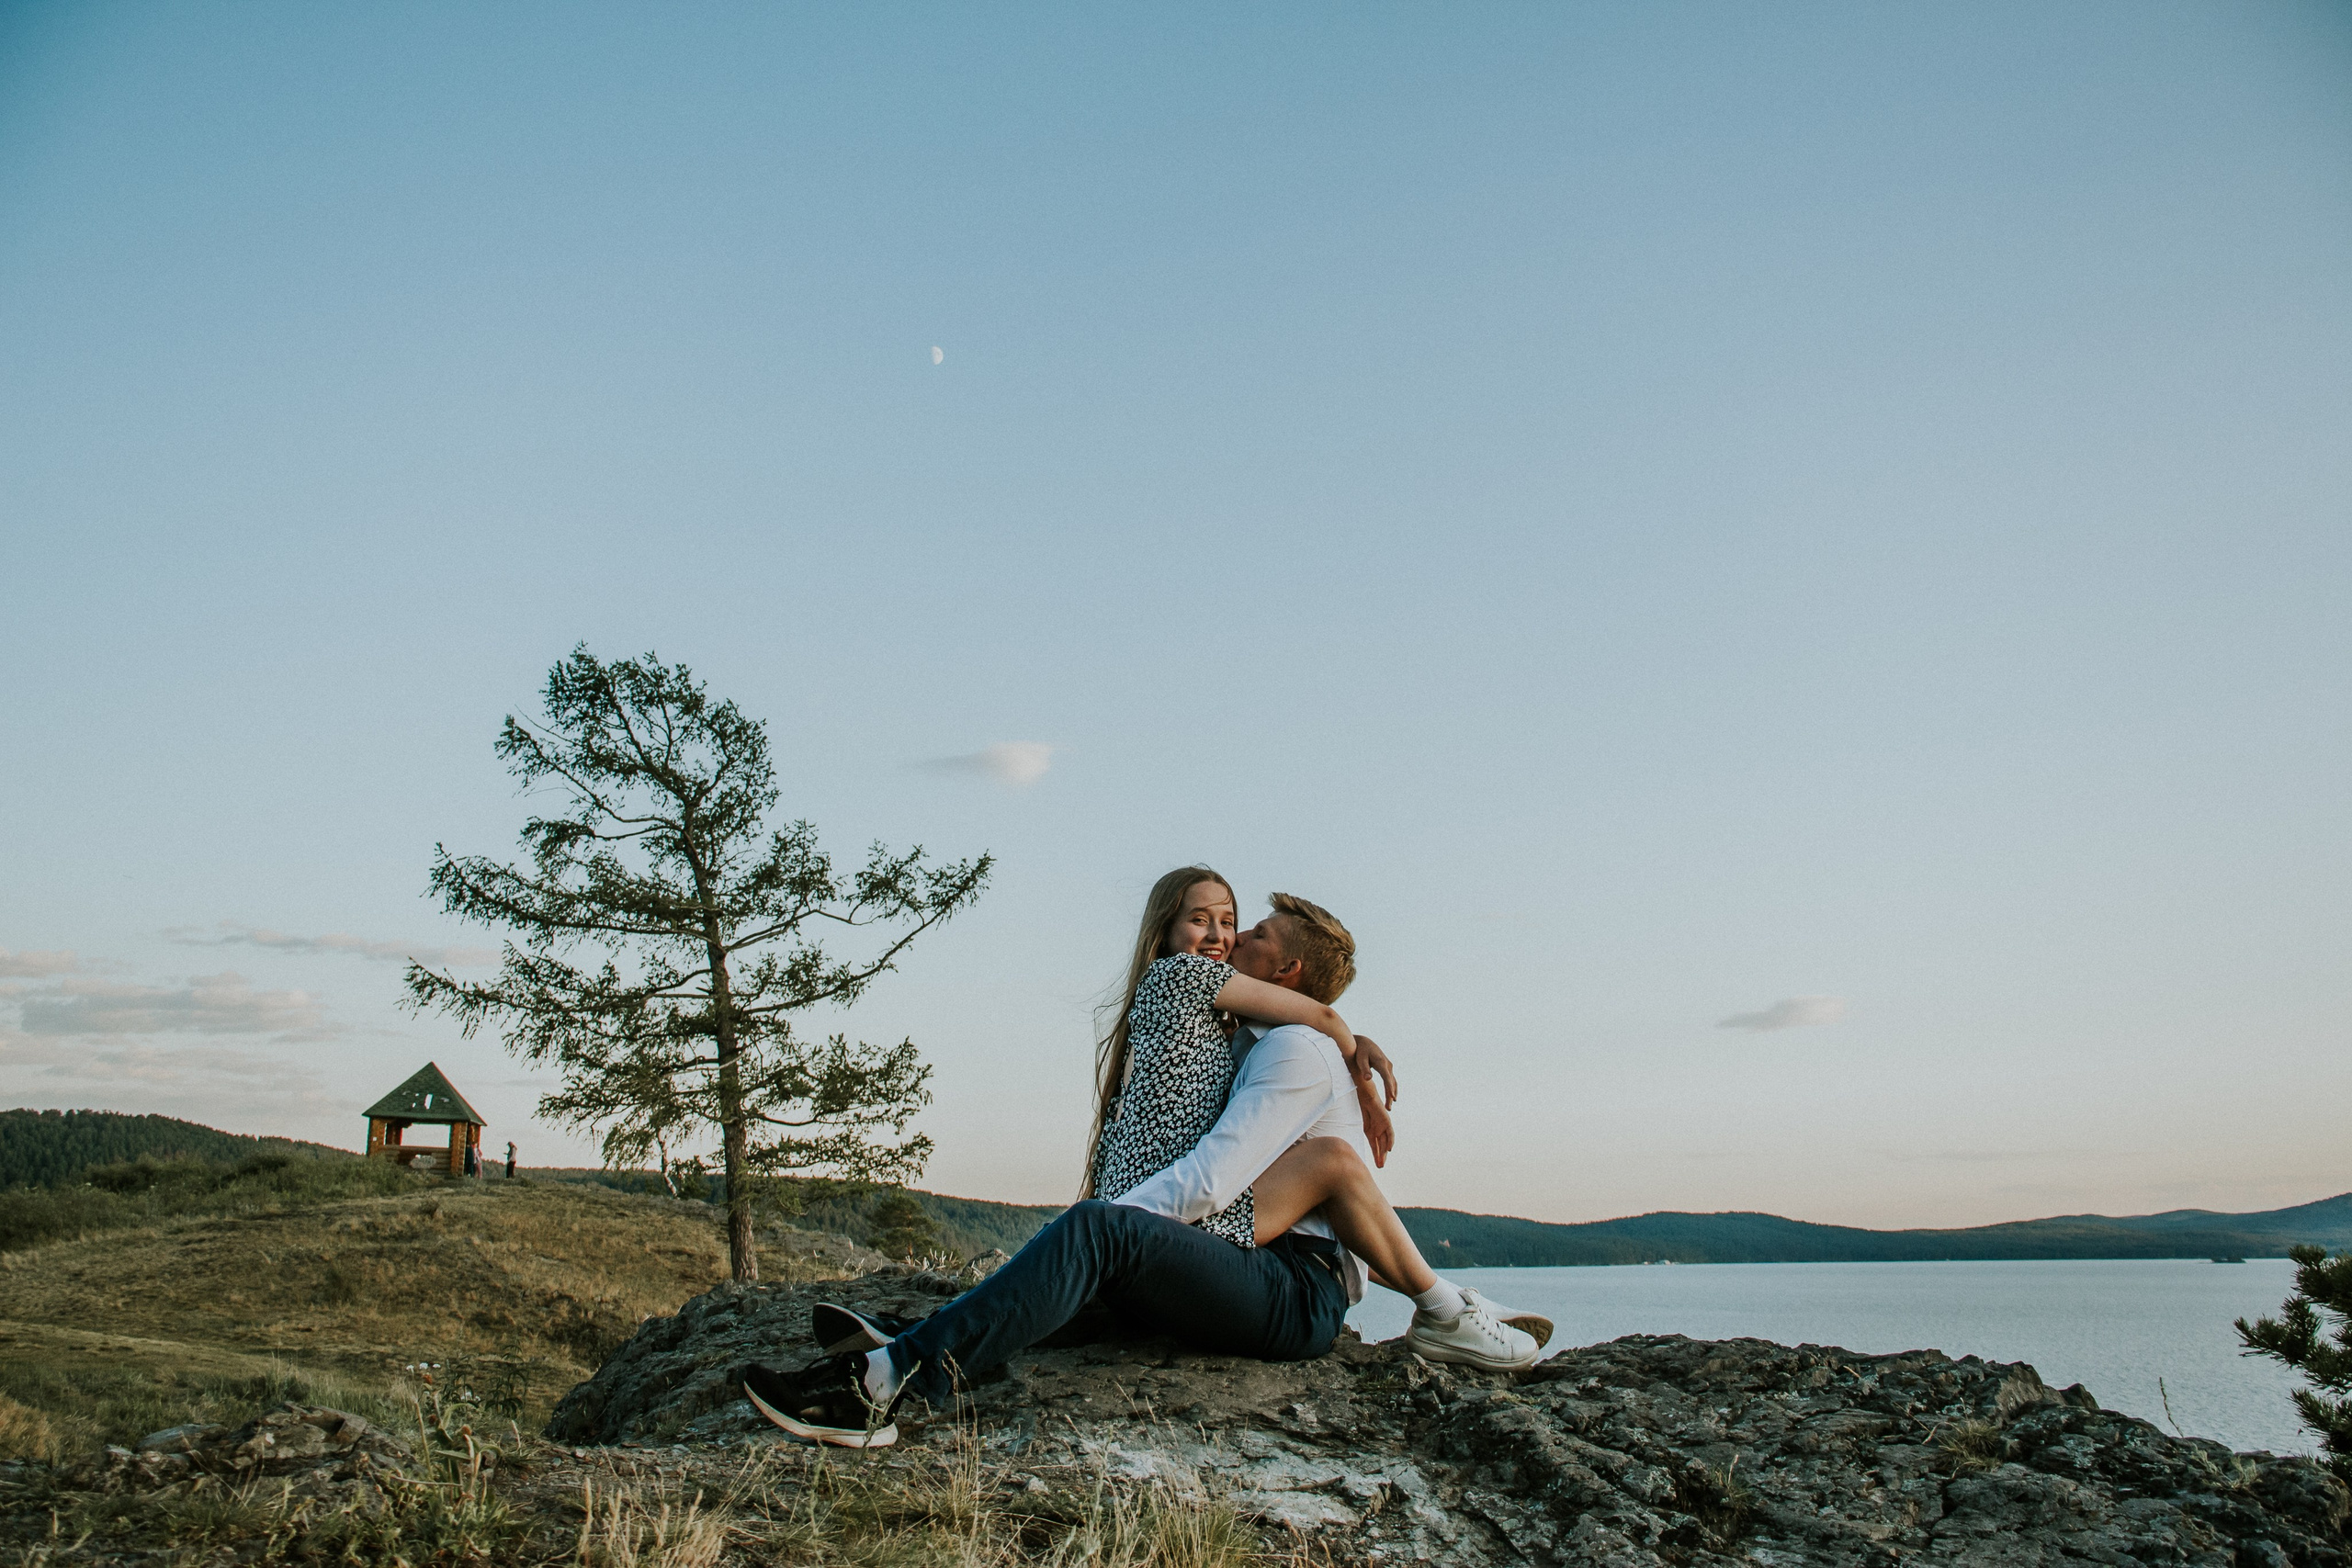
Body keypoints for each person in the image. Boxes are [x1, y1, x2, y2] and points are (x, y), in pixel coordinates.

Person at [738, 867, 1540, 1448]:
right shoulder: (1245, 1035)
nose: (1233, 938)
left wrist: (1111, 1227)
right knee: (1085, 1275)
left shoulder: (1292, 1048)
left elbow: (1214, 1179)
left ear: (1286, 971)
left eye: (1252, 930)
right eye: (1218, 923)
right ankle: (912, 1336)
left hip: (1291, 1287)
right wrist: (1353, 1042)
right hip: (1251, 1267)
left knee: (1097, 1237)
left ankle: (885, 1383)